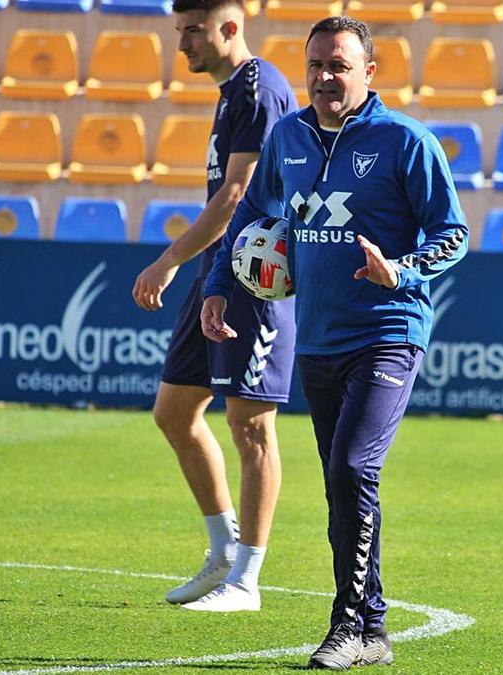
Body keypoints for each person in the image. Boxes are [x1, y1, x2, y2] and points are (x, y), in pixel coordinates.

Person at [199, 16, 468, 669]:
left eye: (339, 66)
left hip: (388, 329)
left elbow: (452, 233)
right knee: (342, 481)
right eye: (315, 65)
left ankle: (348, 624)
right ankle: (373, 626)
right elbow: (253, 216)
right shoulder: (287, 137)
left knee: (353, 467)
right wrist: (218, 283)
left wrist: (400, 270)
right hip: (317, 335)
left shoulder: (405, 141)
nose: (323, 78)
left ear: (368, 72)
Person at [131, 0, 297, 612]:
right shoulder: (232, 91)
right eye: (179, 31)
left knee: (250, 424)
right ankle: (224, 551)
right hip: (216, 274)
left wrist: (167, 260)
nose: (182, 45)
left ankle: (247, 581)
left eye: (193, 31)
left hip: (253, 277)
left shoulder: (259, 89)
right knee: (175, 413)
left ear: (231, 28)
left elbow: (236, 197)